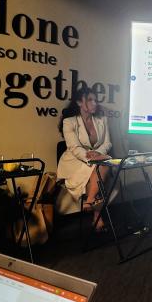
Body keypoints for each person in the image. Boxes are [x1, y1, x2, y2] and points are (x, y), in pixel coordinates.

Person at [57, 87, 112, 231]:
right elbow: (74, 147)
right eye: (90, 100)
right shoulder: (69, 122)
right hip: (74, 162)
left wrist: (97, 154)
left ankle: (89, 201)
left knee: (102, 165)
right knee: (101, 165)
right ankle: (97, 214)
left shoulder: (102, 120)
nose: (95, 103)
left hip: (96, 160)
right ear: (79, 102)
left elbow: (107, 143)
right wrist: (92, 157)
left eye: (96, 100)